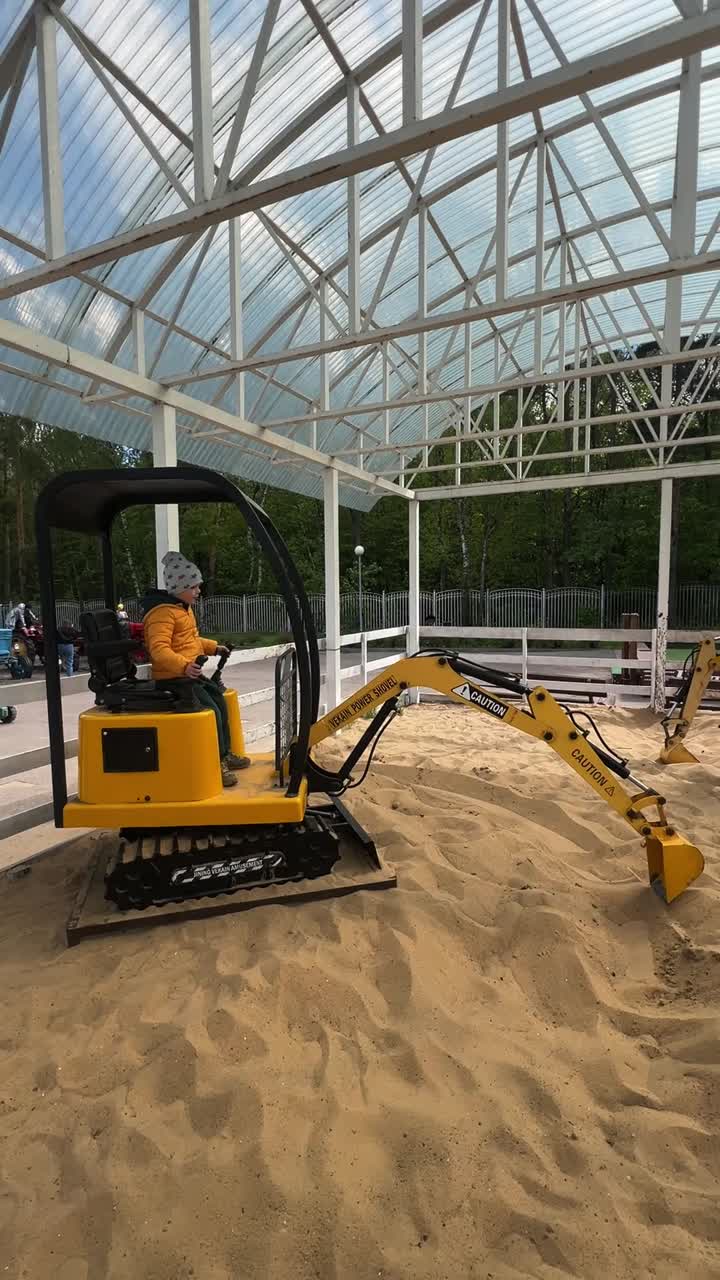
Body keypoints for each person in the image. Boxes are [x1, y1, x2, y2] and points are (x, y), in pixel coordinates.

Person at [141, 551, 249, 789]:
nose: (198, 591)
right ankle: (215, 763)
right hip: (174, 678)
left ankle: (225, 753)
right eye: (194, 587)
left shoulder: (182, 609)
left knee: (219, 702)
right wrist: (183, 665)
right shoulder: (162, 613)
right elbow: (158, 650)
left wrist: (213, 648)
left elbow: (192, 642)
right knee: (211, 711)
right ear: (179, 587)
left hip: (189, 674)